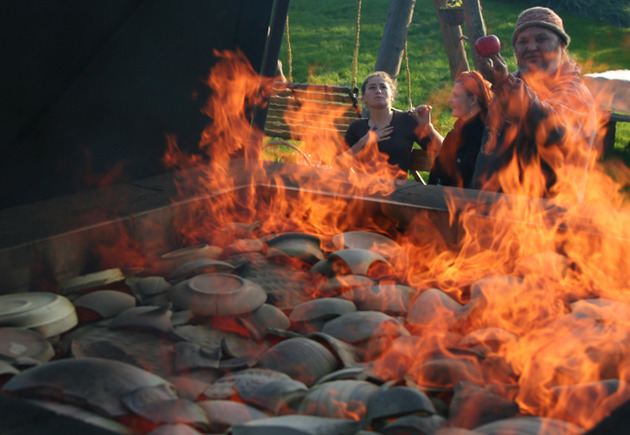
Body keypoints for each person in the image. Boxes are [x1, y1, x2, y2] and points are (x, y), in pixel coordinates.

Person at [471, 7, 598, 200]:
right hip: (495, 213)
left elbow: (553, 132)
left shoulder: (574, 92)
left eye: (541, 39)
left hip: (547, 215)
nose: (531, 47)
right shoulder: (506, 86)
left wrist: (505, 85)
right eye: (523, 41)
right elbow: (489, 149)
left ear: (561, 46)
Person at [341, 71, 440, 177]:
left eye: (383, 87)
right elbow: (337, 164)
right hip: (362, 188)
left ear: (392, 95)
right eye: (372, 88)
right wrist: (363, 142)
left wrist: (428, 128)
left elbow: (445, 151)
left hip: (397, 190)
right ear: (364, 98)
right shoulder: (357, 127)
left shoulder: (407, 121)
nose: (378, 91)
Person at [415, 70, 493, 188]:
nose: (450, 100)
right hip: (438, 200)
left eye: (456, 96)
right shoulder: (457, 132)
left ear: (473, 100)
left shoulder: (486, 136)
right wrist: (427, 128)